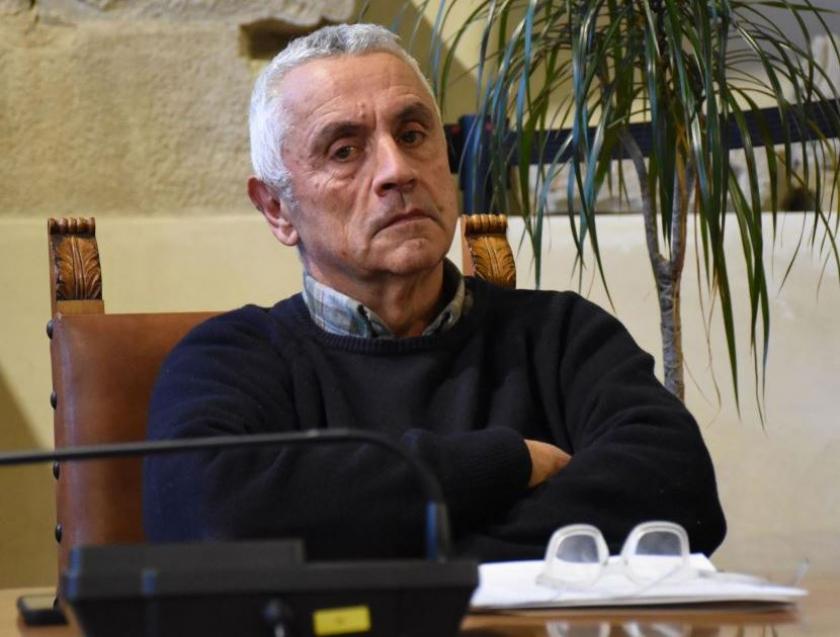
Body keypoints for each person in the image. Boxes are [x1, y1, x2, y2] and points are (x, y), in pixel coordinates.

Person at [143, 23, 726, 561]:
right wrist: (508, 462)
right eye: (344, 150)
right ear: (276, 208)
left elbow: (679, 493)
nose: (397, 170)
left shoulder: (561, 334)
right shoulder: (228, 360)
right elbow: (207, 519)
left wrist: (395, 550)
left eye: (413, 133)